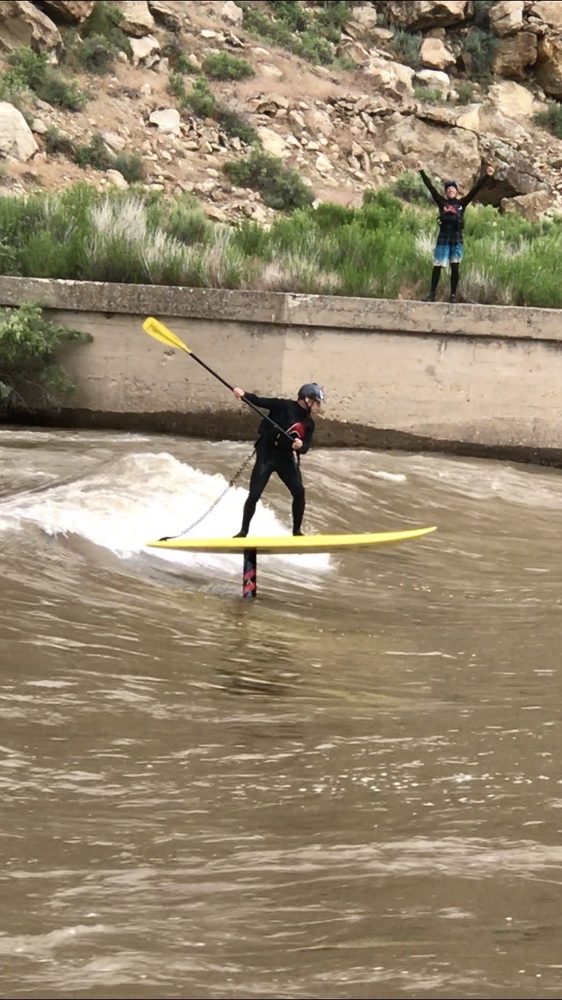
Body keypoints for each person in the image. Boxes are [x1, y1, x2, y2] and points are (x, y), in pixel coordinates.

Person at [231, 382, 324, 537]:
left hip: (285, 458)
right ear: (307, 399)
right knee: (254, 495)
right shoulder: (283, 406)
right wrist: (243, 394)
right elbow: (260, 401)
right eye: (317, 402)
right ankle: (243, 532)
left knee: (299, 492)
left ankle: (297, 532)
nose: (319, 406)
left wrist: (299, 447)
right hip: (266, 456)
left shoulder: (309, 423)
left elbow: (306, 447)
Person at [418, 162, 495, 303]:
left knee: (455, 267)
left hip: (456, 239)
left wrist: (487, 176)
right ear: (446, 192)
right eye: (448, 190)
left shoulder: (461, 204)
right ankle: (431, 294)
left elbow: (475, 190)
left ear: (456, 191)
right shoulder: (442, 203)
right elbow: (431, 188)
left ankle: (453, 295)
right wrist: (422, 171)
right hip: (443, 238)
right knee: (437, 266)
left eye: (452, 189)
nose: (450, 191)